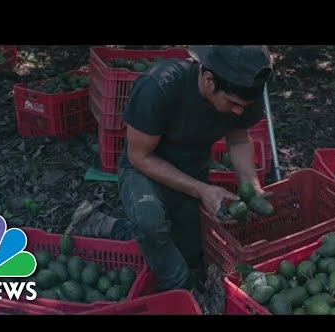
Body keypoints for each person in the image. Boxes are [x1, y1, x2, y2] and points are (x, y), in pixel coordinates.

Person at [70, 45, 274, 293]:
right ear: (208, 79)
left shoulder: (242, 92)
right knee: (152, 227)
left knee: (191, 253)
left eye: (244, 105)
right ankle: (184, 293)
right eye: (232, 103)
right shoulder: (159, 87)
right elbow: (139, 156)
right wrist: (201, 190)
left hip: (193, 169)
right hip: (143, 169)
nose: (239, 111)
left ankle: (103, 224)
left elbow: (239, 138)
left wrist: (251, 185)